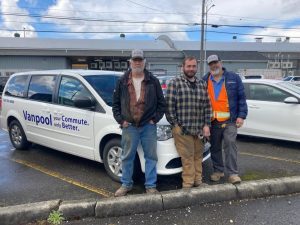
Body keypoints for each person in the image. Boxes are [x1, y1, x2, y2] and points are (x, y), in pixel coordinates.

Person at [112, 49, 166, 197]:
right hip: (129, 126)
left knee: (151, 157)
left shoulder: (153, 81)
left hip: (148, 126)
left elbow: (162, 104)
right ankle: (126, 184)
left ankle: (150, 186)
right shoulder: (122, 81)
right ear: (130, 62)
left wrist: (154, 119)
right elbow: (115, 104)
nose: (137, 62)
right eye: (135, 60)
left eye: (140, 60)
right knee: (127, 157)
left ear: (144, 62)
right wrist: (121, 120)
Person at [165, 56, 212, 188]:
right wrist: (175, 125)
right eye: (188, 66)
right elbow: (169, 107)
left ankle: (198, 181)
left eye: (193, 66)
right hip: (183, 129)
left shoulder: (202, 84)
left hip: (199, 129)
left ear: (196, 67)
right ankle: (188, 184)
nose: (191, 69)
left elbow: (207, 106)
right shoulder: (175, 83)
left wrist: (206, 124)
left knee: (198, 156)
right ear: (183, 67)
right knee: (187, 157)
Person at [203, 55, 248, 184]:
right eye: (211, 63)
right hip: (212, 121)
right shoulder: (204, 80)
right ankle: (218, 171)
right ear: (208, 65)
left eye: (216, 62)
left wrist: (241, 115)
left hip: (230, 120)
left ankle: (233, 173)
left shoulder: (233, 78)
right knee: (215, 147)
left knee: (230, 144)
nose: (214, 65)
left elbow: (241, 98)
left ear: (221, 63)